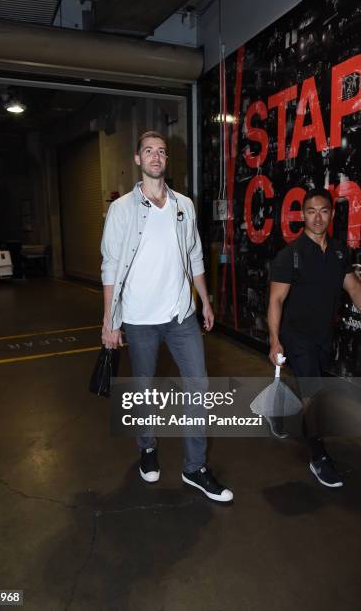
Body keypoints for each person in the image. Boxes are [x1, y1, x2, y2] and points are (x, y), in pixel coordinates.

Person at [100, 130, 233, 503]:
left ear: (165, 160)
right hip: (139, 318)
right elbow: (110, 266)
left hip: (181, 315)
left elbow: (194, 257)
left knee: (199, 387)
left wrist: (204, 300)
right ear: (137, 160)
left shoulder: (184, 206)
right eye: (148, 151)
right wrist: (110, 320)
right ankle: (147, 446)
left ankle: (195, 468)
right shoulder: (122, 209)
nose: (156, 157)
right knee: (144, 388)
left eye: (161, 151)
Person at [268, 187, 361, 487]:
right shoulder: (290, 255)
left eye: (323, 211)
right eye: (311, 211)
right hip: (296, 336)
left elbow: (354, 288)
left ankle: (278, 411)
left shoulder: (338, 252)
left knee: (311, 385)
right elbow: (276, 301)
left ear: (331, 214)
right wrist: (274, 340)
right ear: (303, 215)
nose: (317, 217)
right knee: (314, 393)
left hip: (323, 335)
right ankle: (318, 455)